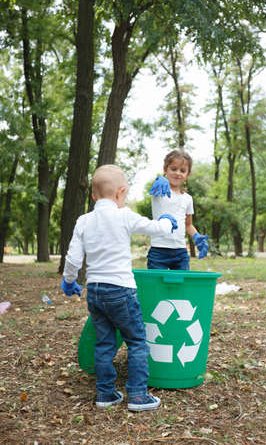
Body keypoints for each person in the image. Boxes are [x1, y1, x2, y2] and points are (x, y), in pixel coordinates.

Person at [60, 164, 178, 411]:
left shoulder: (83, 220)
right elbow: (156, 229)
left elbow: (72, 259)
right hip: (121, 292)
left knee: (104, 344)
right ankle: (137, 395)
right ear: (120, 193)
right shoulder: (125, 215)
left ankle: (105, 394)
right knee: (136, 342)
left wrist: (70, 280)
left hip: (94, 292)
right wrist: (167, 220)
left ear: (93, 196)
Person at [147, 149, 208, 270]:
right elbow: (153, 188)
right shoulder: (160, 190)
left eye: (183, 170)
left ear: (187, 175)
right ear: (165, 169)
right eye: (173, 169)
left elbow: (188, 224)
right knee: (157, 287)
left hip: (180, 252)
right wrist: (159, 179)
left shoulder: (188, 199)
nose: (178, 173)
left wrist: (197, 237)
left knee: (181, 287)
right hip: (159, 250)